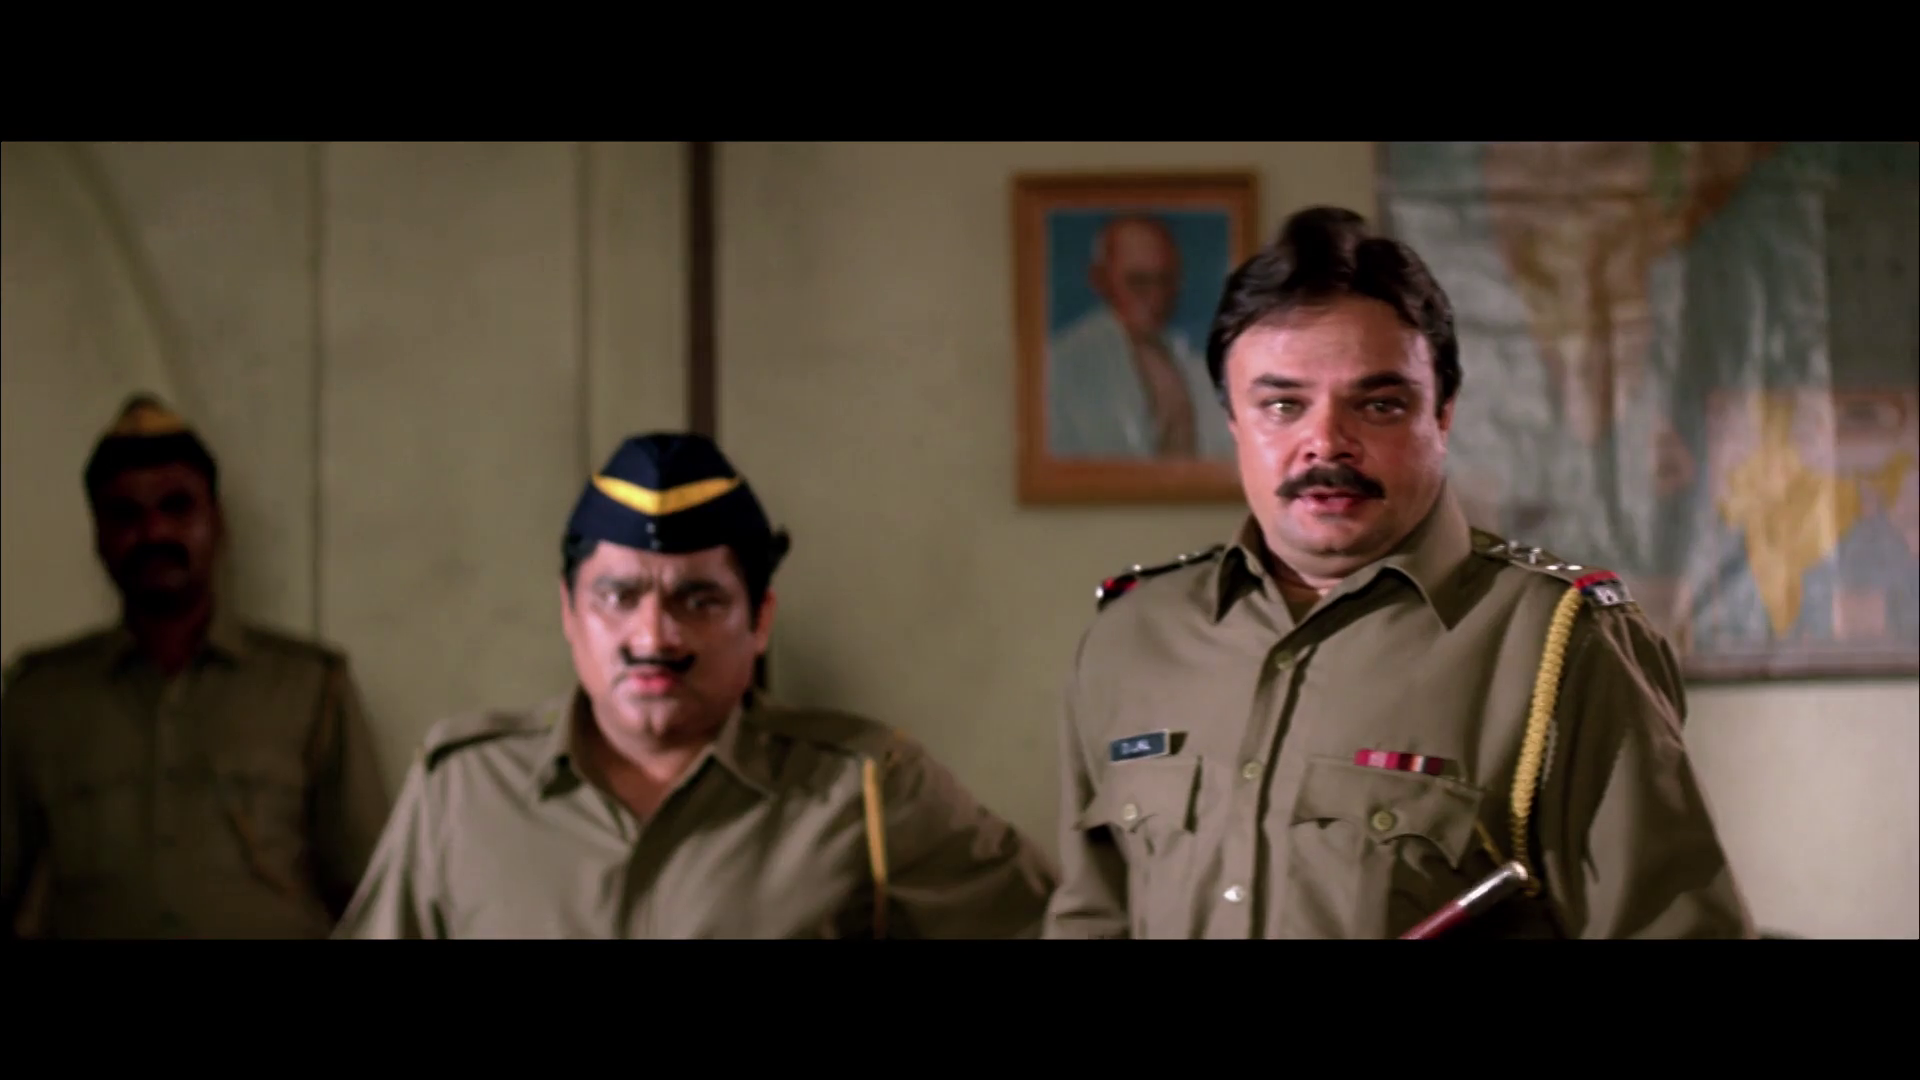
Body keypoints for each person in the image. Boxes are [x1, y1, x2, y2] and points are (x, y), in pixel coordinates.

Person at [1041, 207, 1755, 939]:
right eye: (1283, 405)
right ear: (1232, 422)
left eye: (1379, 405)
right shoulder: (1132, 635)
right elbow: (1091, 918)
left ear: (1442, 415)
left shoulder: (1561, 643)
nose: (1326, 443)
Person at [334, 432, 1055, 938]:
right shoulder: (464, 788)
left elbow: (1062, 927)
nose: (654, 638)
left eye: (699, 600)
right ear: (569, 612)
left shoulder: (861, 789)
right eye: (619, 597)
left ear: (760, 619)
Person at [0, 393, 391, 939]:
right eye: (126, 514)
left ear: (218, 521)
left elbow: (374, 898)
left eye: (177, 507)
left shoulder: (308, 688)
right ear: (98, 535)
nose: (154, 532)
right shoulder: (40, 698)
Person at [1047, 214, 1233, 461]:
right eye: (1138, 282)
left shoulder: (1191, 359)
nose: (1155, 296)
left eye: (1165, 281)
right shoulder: (1063, 364)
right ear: (1100, 279)